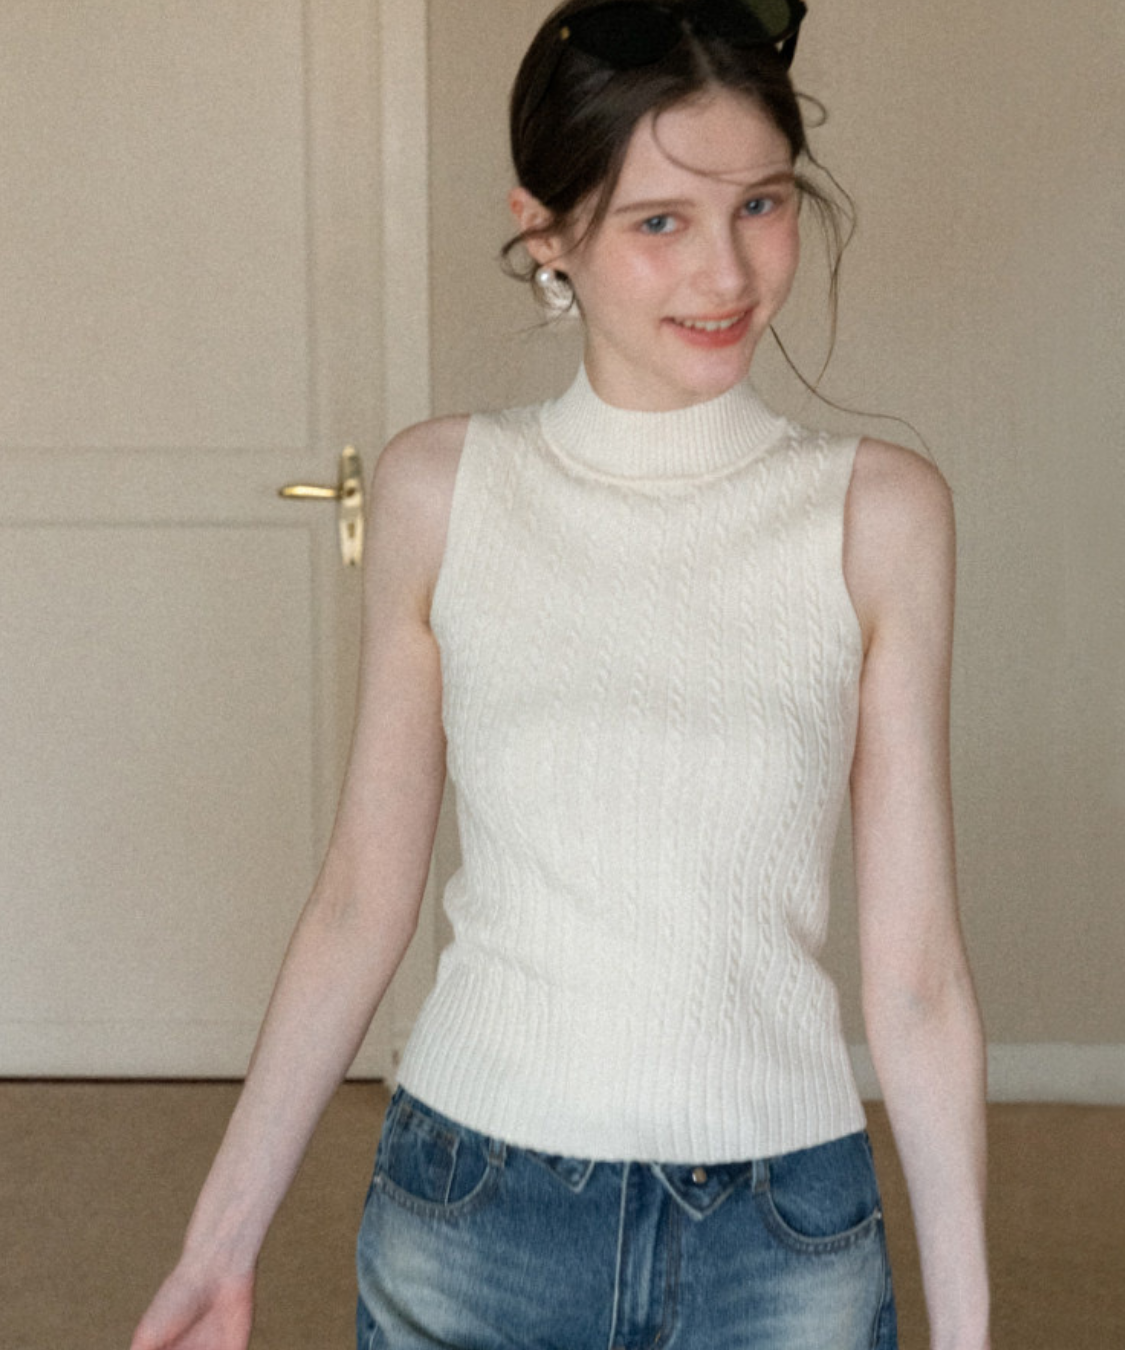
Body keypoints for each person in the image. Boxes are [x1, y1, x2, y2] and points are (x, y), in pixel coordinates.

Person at [132, 2, 990, 1347]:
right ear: (547, 232)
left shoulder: (882, 515)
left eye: (760, 203)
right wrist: (217, 1245)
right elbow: (359, 900)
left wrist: (972, 1327)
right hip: (474, 1217)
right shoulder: (441, 489)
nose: (725, 271)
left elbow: (919, 973)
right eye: (660, 220)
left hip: (785, 1239)